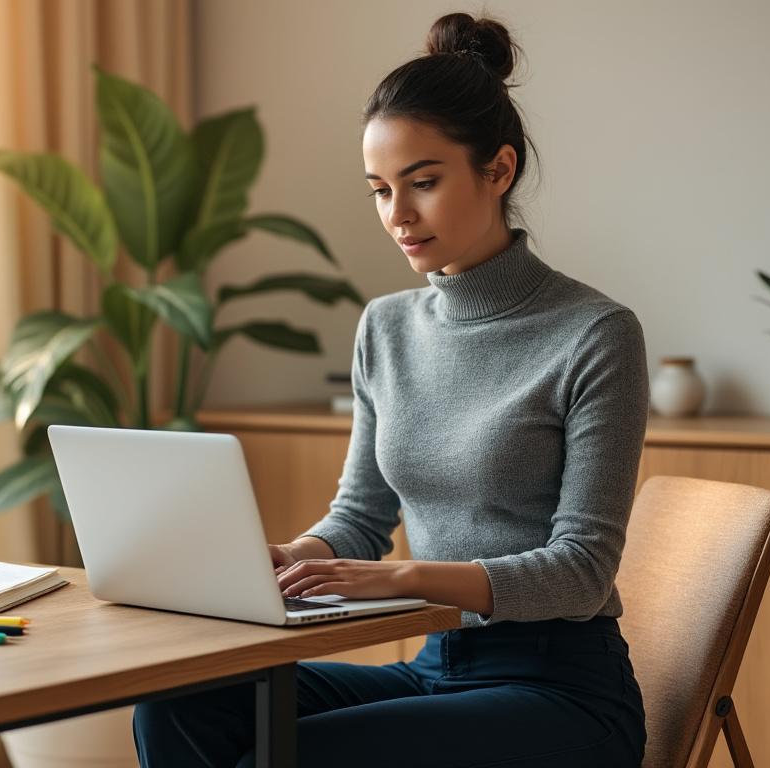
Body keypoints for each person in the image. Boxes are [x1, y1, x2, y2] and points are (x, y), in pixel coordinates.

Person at [134, 12, 648, 767]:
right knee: (182, 708)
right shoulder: (386, 327)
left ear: (498, 170)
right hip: (433, 669)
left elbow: (581, 572)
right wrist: (288, 557)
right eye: (380, 190)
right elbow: (361, 517)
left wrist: (398, 578)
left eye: (424, 183)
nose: (398, 217)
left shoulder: (595, 333)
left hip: (562, 691)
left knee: (288, 755)